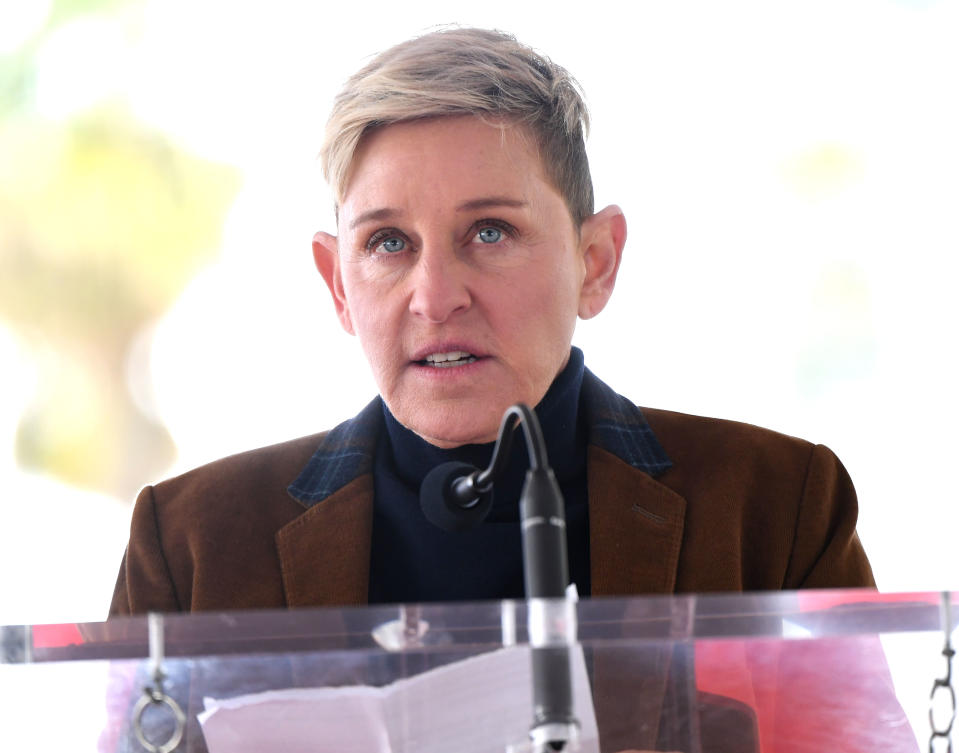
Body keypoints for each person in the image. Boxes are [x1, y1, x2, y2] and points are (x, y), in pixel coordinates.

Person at [110, 26, 873, 617]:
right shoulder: (190, 547)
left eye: (489, 232)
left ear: (596, 261)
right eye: (386, 242)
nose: (435, 296)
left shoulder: (776, 513)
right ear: (337, 285)